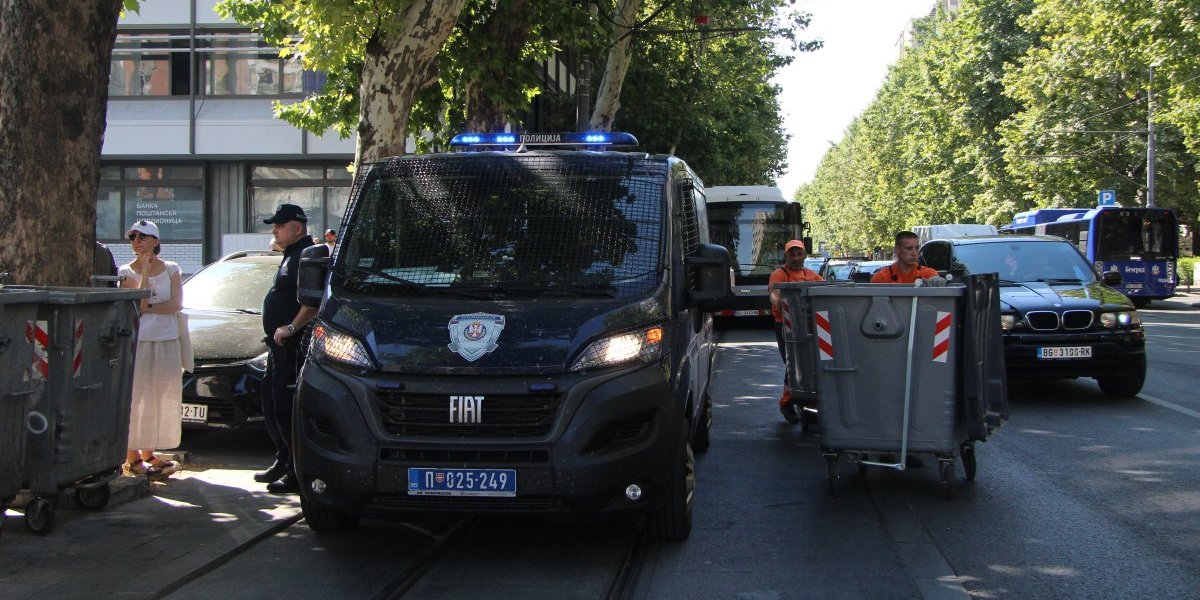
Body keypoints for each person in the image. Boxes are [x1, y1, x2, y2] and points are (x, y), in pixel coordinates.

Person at [256, 204, 317, 493]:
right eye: (274, 225)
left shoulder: (308, 255)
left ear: (298, 228)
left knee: (286, 409)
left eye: (280, 225)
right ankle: (283, 459)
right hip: (278, 346)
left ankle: (295, 471)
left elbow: (312, 304)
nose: (274, 230)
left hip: (293, 347)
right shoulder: (291, 254)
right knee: (272, 404)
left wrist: (290, 328)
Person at [119, 220, 183, 479]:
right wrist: (144, 272)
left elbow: (176, 303)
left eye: (143, 236)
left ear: (156, 241)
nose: (137, 240)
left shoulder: (171, 269)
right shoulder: (126, 271)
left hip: (166, 339)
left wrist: (150, 309)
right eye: (133, 236)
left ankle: (149, 451)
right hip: (140, 341)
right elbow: (139, 303)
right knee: (137, 397)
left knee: (161, 396)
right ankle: (131, 456)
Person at [768, 240, 823, 424]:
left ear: (805, 255)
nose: (796, 258)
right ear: (786, 256)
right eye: (792, 254)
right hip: (786, 326)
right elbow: (774, 296)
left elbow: (826, 290)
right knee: (793, 364)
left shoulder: (811, 275)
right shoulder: (779, 274)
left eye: (799, 254)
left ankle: (805, 399)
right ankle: (787, 401)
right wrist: (786, 304)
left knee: (809, 363)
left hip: (808, 326)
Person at [870, 231, 939, 284]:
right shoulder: (881, 278)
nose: (914, 253)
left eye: (917, 248)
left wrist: (937, 282)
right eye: (909, 248)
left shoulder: (929, 275)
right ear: (897, 250)